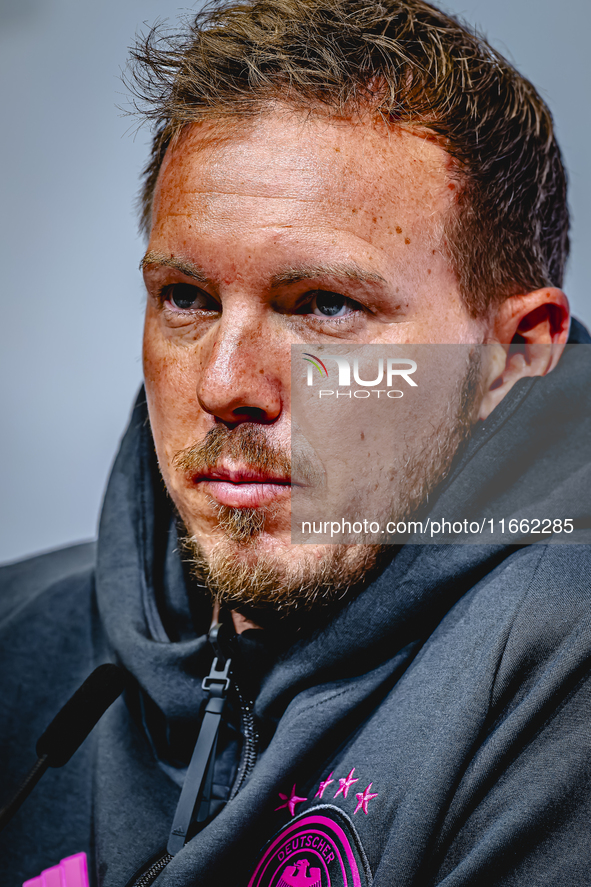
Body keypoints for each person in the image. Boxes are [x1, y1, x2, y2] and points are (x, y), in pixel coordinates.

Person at [1, 0, 590, 885]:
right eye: (187, 297)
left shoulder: (559, 678)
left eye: (323, 305)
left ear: (513, 355)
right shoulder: (18, 632)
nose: (226, 384)